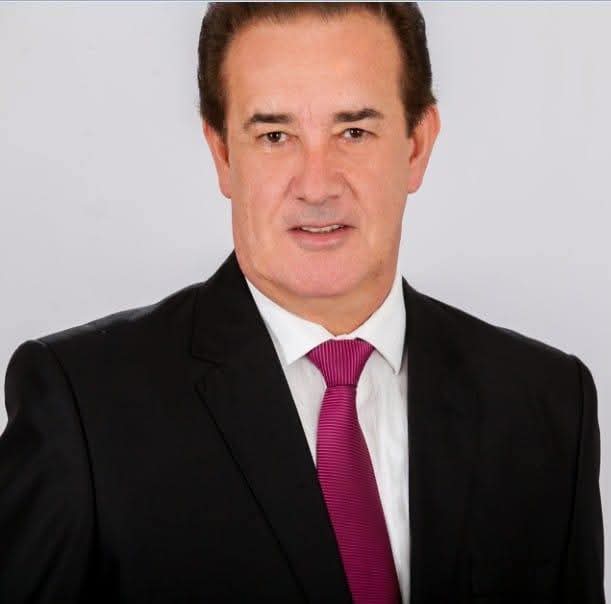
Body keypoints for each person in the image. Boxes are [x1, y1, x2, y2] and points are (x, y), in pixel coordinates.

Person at [0, 2, 604, 602]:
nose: (316, 185)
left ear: (417, 145)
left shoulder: (547, 406)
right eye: (275, 136)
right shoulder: (83, 409)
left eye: (354, 131)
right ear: (223, 155)